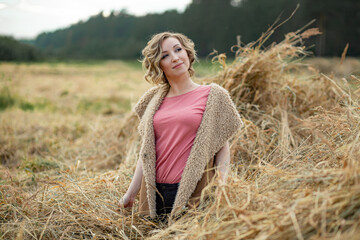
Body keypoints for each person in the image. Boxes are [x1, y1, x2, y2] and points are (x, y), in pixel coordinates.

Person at [118, 32, 242, 221]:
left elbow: (222, 147)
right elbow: (147, 152)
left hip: (193, 193)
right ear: (158, 65)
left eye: (178, 50)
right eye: (165, 55)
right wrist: (130, 194)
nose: (175, 58)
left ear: (188, 53)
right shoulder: (153, 99)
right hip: (154, 194)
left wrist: (222, 185)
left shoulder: (213, 95)